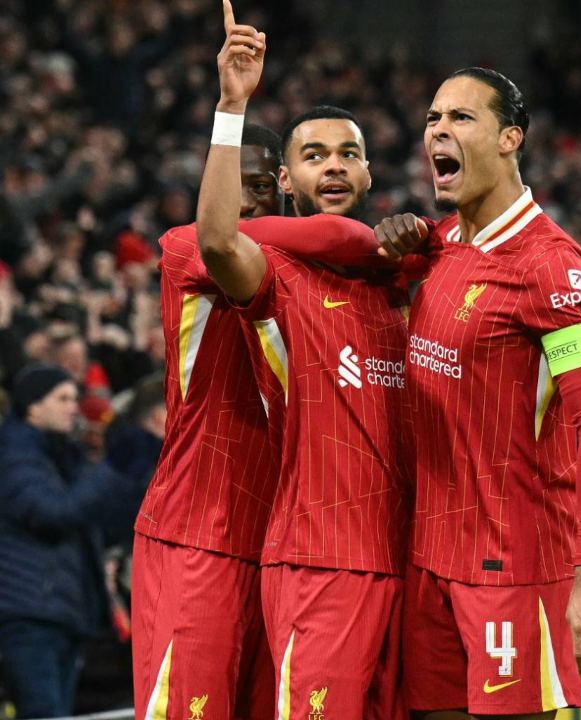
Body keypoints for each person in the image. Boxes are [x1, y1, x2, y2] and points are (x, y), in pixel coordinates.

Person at [134, 5, 402, 718]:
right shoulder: (187, 250)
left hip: (286, 539)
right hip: (201, 532)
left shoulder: (367, 283)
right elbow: (263, 236)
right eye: (242, 185)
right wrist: (232, 105)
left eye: (260, 188)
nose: (250, 202)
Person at [375, 66, 581, 718]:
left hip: (514, 568)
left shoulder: (552, 267)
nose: (439, 130)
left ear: (511, 137)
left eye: (460, 117)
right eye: (432, 118)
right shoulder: (436, 246)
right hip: (429, 560)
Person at [0, 363, 118, 718]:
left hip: (59, 610)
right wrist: (108, 472)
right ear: (33, 407)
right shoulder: (15, 456)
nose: (74, 407)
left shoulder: (61, 456)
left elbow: (94, 520)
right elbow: (53, 513)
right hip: (29, 612)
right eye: (63, 398)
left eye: (75, 398)